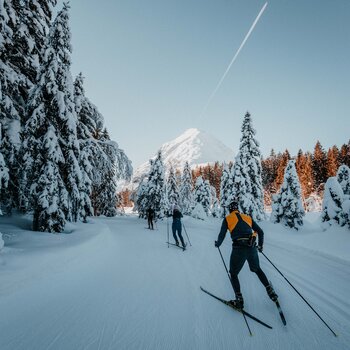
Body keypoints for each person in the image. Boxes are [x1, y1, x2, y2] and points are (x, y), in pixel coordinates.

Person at [215, 201, 278, 309]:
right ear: (238, 209)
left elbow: (222, 234)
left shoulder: (227, 218)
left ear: (230, 210)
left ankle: (239, 300)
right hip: (251, 247)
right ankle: (270, 291)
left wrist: (218, 243)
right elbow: (261, 232)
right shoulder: (247, 217)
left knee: (233, 274)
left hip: (238, 248)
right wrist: (260, 246)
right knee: (257, 270)